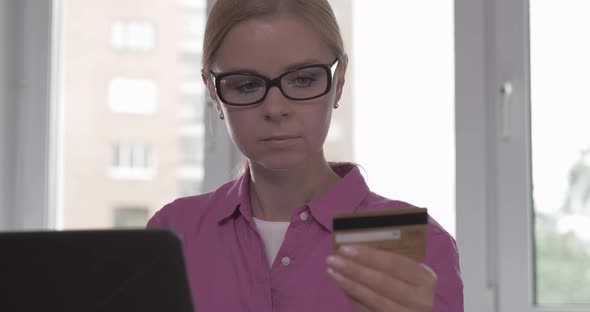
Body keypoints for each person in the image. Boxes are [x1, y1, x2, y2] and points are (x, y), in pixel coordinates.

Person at [147, 0, 463, 311]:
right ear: (213, 92)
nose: (275, 109)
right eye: (245, 85)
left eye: (303, 80)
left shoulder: (416, 245)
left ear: (338, 82)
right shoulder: (173, 234)